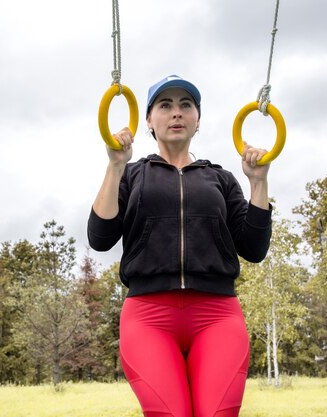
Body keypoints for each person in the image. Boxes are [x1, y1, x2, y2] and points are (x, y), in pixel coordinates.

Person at [88, 75, 272, 417]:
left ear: (197, 120)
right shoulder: (132, 174)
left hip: (217, 315)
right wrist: (115, 166)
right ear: (148, 121)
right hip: (148, 317)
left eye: (186, 105)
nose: (176, 113)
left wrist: (258, 183)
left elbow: (254, 248)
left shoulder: (220, 178)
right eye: (165, 105)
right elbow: (100, 238)